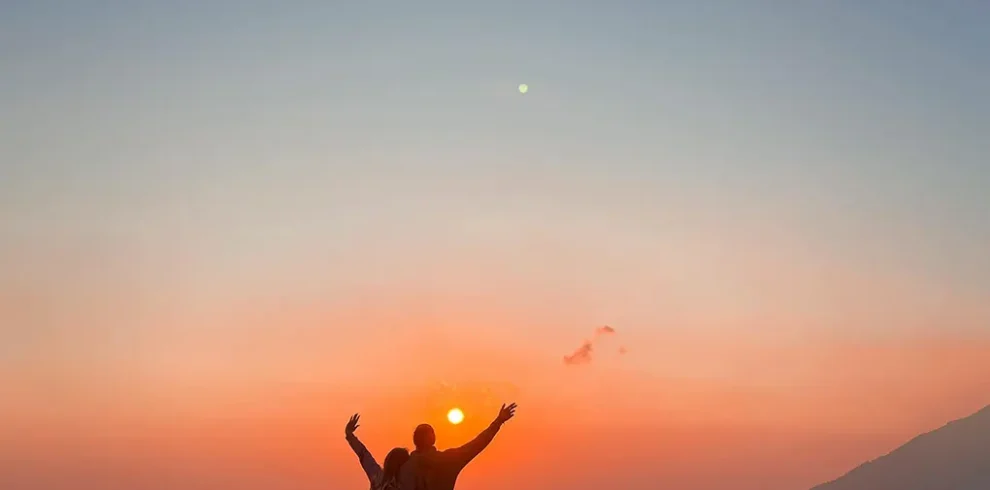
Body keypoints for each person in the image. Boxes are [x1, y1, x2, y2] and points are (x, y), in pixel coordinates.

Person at [399, 403, 517, 490]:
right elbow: (477, 444)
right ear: (433, 439)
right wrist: (498, 422)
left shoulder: (402, 466)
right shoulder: (447, 460)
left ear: (415, 440)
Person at [345, 413, 410, 490]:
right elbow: (364, 454)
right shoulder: (405, 485)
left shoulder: (377, 477)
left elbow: (363, 454)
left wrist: (349, 434)